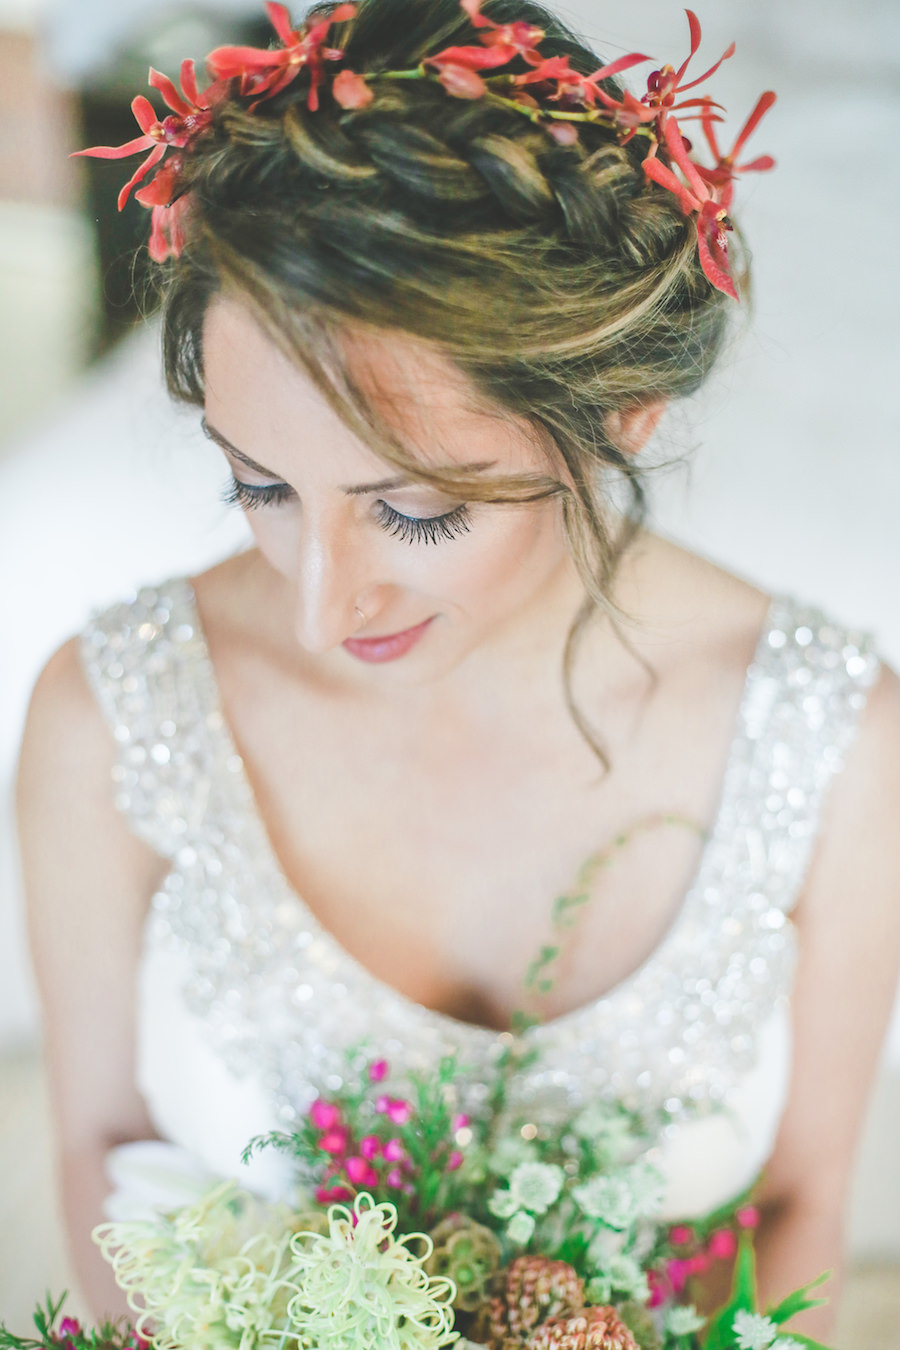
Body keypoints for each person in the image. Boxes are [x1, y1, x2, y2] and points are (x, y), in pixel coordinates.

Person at [15, 0, 900, 1336]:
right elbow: (98, 1153)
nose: (319, 605)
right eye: (259, 486)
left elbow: (800, 1208)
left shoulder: (835, 745)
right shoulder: (105, 714)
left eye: (416, 511)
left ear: (618, 421)